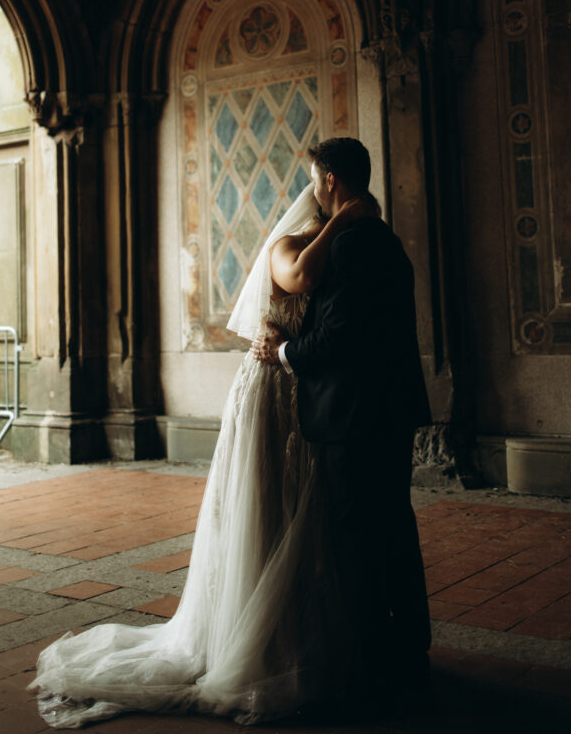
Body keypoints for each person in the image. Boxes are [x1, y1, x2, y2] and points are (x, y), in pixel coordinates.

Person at [30, 177, 373, 728]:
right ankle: (251, 637)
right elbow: (300, 277)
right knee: (261, 502)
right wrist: (341, 219)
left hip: (300, 388)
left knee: (298, 511)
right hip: (267, 390)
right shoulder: (287, 248)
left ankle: (292, 631)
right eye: (322, 209)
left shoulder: (334, 252)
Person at [253, 137, 432, 710]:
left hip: (354, 416)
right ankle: (408, 649)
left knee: (356, 539)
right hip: (388, 410)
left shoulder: (352, 245)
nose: (313, 189)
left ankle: (371, 662)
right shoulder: (383, 240)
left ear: (328, 180)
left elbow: (338, 337)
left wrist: (283, 353)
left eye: (314, 179)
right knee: (393, 528)